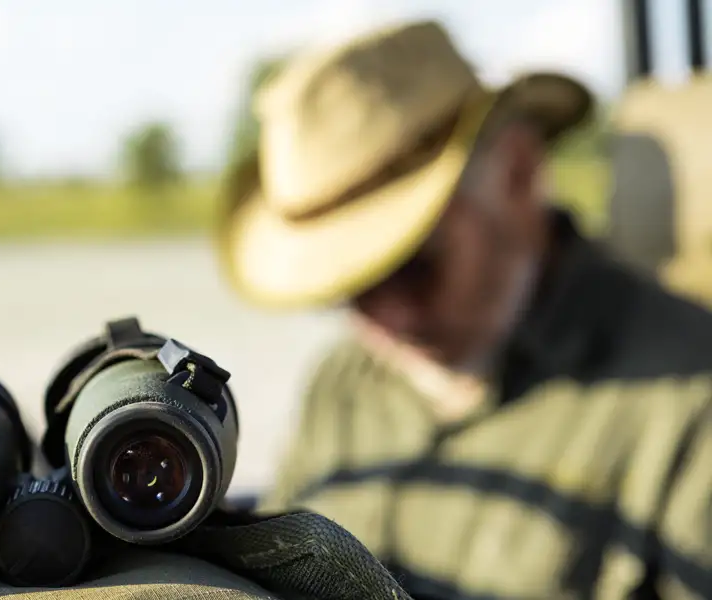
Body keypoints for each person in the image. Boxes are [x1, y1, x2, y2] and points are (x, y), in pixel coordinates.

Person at [218, 19, 712, 600]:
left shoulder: (688, 406)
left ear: (518, 173)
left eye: (413, 267)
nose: (384, 321)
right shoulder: (341, 386)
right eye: (348, 287)